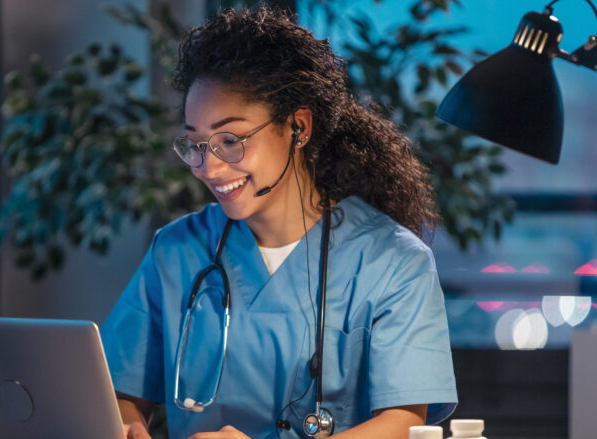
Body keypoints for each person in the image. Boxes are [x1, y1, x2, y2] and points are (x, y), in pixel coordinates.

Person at [101, 6, 457, 439]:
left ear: (298, 127)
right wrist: (126, 423)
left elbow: (403, 422)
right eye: (195, 144)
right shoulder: (175, 251)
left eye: (230, 141)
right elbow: (120, 390)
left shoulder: (393, 262)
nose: (209, 168)